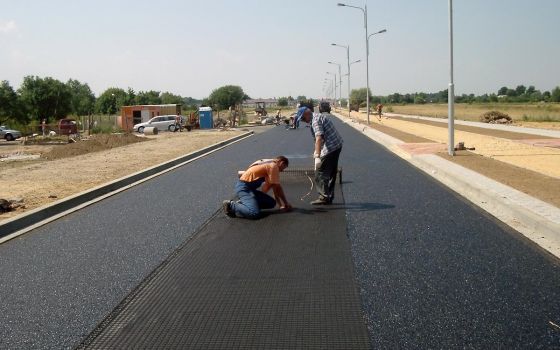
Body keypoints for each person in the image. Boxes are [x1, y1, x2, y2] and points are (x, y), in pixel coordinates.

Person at [299, 101, 343, 205]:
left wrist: (317, 155)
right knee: (332, 171)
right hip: (337, 145)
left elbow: (319, 138)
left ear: (306, 114)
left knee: (319, 171)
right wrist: (317, 150)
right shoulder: (316, 117)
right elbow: (321, 139)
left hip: (331, 147)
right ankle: (329, 195)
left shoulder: (315, 121)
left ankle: (324, 197)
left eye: (302, 118)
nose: (302, 121)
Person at [223, 156, 292, 219]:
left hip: (249, 189)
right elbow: (276, 188)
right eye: (283, 167)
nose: (282, 170)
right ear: (281, 163)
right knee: (254, 213)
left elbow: (275, 187)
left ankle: (245, 204)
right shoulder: (273, 166)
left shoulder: (267, 163)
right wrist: (283, 204)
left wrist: (282, 204)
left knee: (271, 203)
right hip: (244, 188)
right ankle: (231, 205)